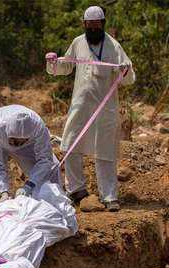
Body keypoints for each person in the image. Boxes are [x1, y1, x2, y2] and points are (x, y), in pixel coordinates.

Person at [45, 6, 135, 211]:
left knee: (105, 152)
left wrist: (125, 71)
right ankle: (76, 189)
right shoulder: (78, 42)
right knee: (70, 144)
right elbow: (65, 67)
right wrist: (52, 63)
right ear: (84, 25)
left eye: (97, 26)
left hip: (106, 109)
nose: (93, 29)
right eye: (90, 26)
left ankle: (109, 196)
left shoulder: (114, 46)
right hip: (81, 105)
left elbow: (129, 77)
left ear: (103, 24)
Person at [0, 105, 61, 237]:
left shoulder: (39, 128)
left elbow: (45, 160)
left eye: (20, 141)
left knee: (53, 168)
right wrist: (4, 191)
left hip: (28, 146)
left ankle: (56, 213)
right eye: (14, 140)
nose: (16, 144)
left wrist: (30, 185)